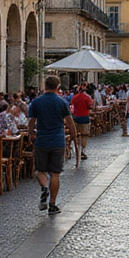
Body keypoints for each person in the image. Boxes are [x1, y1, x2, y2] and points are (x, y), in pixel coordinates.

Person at [28, 75, 78, 214]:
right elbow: (69, 121)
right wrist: (74, 136)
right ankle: (52, 204)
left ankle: (44, 187)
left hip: (42, 140)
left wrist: (31, 133)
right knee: (55, 174)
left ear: (44, 85)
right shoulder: (62, 102)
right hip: (58, 140)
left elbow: (31, 121)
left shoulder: (36, 102)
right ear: (58, 87)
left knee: (40, 170)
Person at [70, 84, 94, 160]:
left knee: (77, 134)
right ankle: (82, 151)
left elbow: (72, 106)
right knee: (85, 134)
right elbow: (90, 106)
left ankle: (77, 148)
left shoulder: (74, 97)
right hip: (84, 117)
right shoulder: (87, 97)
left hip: (76, 117)